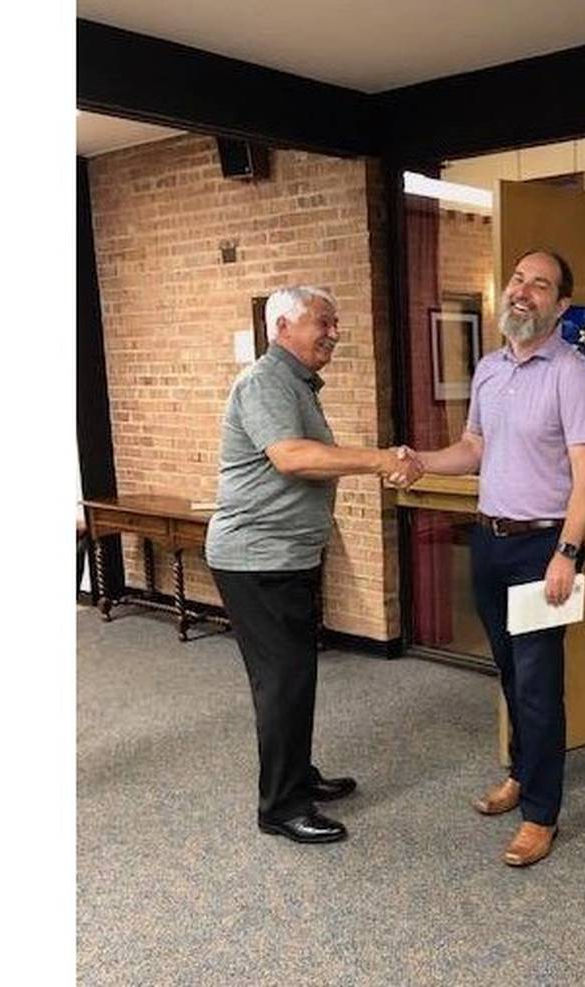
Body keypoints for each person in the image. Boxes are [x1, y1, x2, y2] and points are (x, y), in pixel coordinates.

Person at [399, 249, 585, 867]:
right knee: (511, 676)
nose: (523, 291)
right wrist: (420, 462)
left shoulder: (574, 376)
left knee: (541, 684)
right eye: (518, 279)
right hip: (490, 541)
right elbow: (472, 448)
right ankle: (521, 773)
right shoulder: (490, 370)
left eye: (539, 285)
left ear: (561, 305)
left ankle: (541, 813)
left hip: (546, 547)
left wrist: (567, 553)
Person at [205, 285, 420, 845]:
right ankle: (280, 806)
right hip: (256, 559)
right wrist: (380, 460)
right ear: (282, 328)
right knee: (281, 681)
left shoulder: (293, 382)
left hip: (285, 555)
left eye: (334, 322)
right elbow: (293, 457)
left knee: (296, 675)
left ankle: (297, 775)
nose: (333, 332)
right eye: (322, 322)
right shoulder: (265, 382)